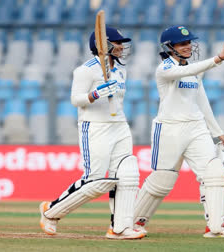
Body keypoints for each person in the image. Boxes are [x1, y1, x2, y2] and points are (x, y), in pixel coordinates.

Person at [133, 25, 224, 238]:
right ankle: (132, 222)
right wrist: (218, 59)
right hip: (169, 129)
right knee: (162, 181)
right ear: (169, 47)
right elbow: (186, 70)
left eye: (188, 42)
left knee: (214, 174)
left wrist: (217, 131)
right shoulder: (164, 68)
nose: (187, 46)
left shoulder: (195, 71)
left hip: (196, 128)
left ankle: (216, 226)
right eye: (182, 43)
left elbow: (201, 100)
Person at [39, 27, 145, 240]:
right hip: (95, 126)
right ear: (103, 46)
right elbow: (75, 99)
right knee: (95, 182)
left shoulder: (120, 71)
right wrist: (95, 94)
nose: (122, 47)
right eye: (117, 42)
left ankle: (120, 228)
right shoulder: (86, 70)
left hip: (120, 125)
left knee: (128, 174)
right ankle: (51, 212)